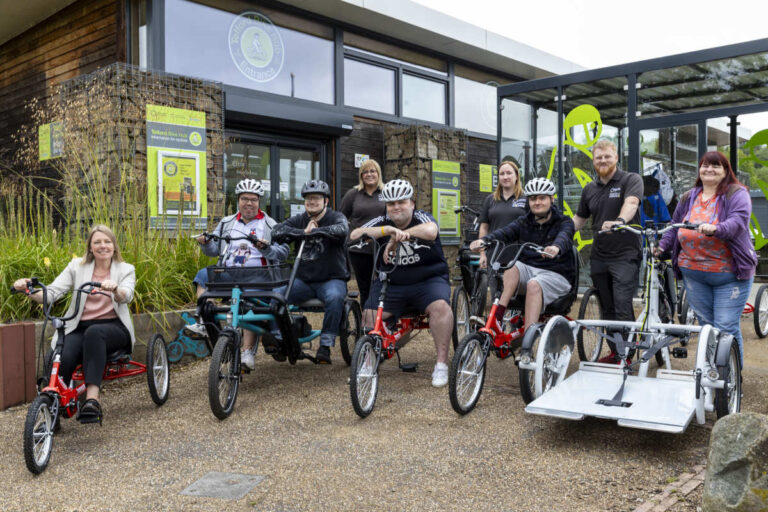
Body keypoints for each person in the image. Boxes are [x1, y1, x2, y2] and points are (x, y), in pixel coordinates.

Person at [13, 225, 135, 424]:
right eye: (97, 242)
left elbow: (126, 295)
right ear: (90, 247)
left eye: (107, 241)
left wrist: (115, 290)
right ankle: (53, 406)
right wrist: (28, 290)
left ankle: (92, 401)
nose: (102, 246)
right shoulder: (76, 266)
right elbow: (52, 293)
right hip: (80, 327)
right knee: (62, 353)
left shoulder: (125, 269)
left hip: (114, 327)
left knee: (95, 333)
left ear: (114, 246)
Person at [349, 179, 454, 388]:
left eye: (401, 202)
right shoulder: (382, 221)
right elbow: (355, 234)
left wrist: (401, 237)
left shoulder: (421, 217)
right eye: (391, 204)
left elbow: (431, 231)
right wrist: (387, 231)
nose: (396, 207)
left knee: (441, 308)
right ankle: (369, 362)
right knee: (369, 315)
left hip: (428, 280)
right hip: (392, 282)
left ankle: (441, 364)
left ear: (412, 203)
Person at [657, 151, 756, 366]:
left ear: (725, 171)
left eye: (715, 166)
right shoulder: (689, 196)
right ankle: (711, 372)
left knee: (726, 328)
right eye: (705, 165)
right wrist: (662, 246)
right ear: (699, 170)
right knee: (706, 327)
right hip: (694, 276)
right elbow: (674, 228)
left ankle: (731, 378)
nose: (709, 169)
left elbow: (738, 222)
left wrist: (716, 229)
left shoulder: (736, 193)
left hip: (729, 276)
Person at [187, 178, 289, 370]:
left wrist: (266, 248)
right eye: (244, 198)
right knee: (203, 275)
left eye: (253, 199)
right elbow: (214, 250)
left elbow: (283, 252)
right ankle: (202, 320)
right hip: (230, 272)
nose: (248, 203)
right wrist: (205, 243)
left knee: (248, 307)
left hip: (259, 274)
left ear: (259, 201)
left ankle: (247, 351)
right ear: (238, 200)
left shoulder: (269, 224)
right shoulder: (227, 222)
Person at [469, 177, 574, 334]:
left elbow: (564, 236)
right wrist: (484, 240)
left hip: (556, 274)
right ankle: (498, 316)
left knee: (534, 284)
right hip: (529, 271)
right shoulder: (524, 221)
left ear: (552, 199)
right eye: (533, 199)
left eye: (542, 198)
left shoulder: (564, 222)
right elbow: (504, 232)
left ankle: (528, 342)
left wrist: (556, 247)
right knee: (512, 266)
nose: (537, 202)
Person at [572, 139, 643, 364]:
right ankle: (615, 351)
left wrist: (620, 221)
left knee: (622, 303)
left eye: (607, 156)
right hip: (600, 255)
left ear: (616, 158)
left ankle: (627, 355)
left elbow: (631, 203)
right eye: (598, 157)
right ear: (593, 160)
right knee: (607, 305)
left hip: (625, 254)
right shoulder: (590, 189)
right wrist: (559, 234)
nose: (602, 161)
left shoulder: (630, 180)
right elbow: (579, 220)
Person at [271, 179, 350, 364]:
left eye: (316, 198)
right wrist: (303, 233)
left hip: (331, 279)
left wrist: (317, 231)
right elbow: (276, 231)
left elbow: (342, 229)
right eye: (308, 199)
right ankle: (280, 340)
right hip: (303, 281)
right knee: (277, 296)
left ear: (326, 201)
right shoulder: (300, 220)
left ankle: (325, 345)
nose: (311, 202)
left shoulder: (336, 217)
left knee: (335, 297)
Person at [339, 158, 386, 307]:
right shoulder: (353, 194)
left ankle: (383, 321)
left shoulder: (385, 193)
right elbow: (341, 218)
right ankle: (366, 324)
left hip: (382, 247)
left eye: (372, 171)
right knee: (365, 288)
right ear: (361, 176)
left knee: (383, 285)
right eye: (365, 172)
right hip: (359, 249)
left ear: (378, 173)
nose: (369, 174)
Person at [477, 160, 527, 270]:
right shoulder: (490, 200)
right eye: (502, 174)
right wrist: (482, 254)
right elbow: (484, 228)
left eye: (509, 173)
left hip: (519, 258)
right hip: (493, 256)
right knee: (494, 287)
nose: (505, 177)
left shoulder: (526, 199)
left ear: (517, 176)